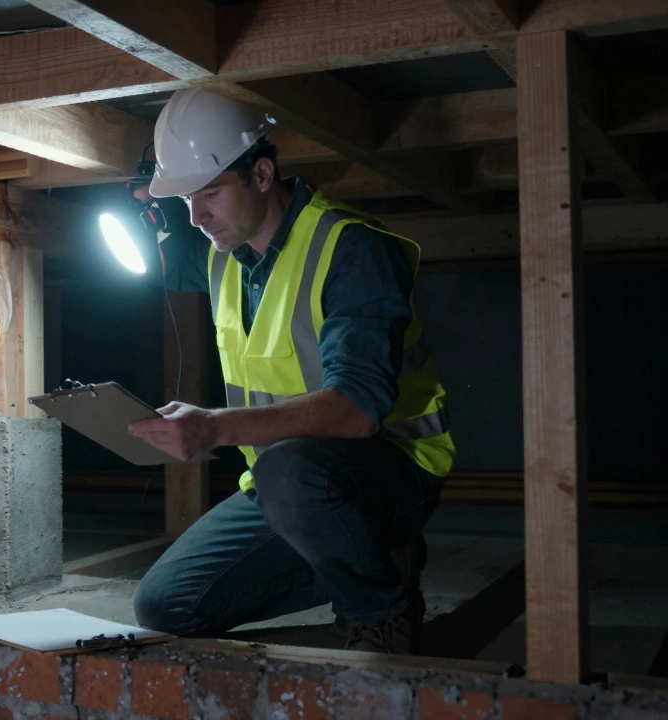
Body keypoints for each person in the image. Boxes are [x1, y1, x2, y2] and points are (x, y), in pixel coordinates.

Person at [126, 87, 455, 655]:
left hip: (389, 474)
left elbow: (355, 410)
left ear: (261, 174)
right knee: (164, 606)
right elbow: (171, 256)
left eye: (208, 194)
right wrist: (152, 196)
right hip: (284, 488)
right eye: (186, 202)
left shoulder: (350, 248)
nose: (197, 217)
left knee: (290, 473)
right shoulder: (220, 257)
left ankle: (381, 611)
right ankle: (369, 559)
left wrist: (213, 427)